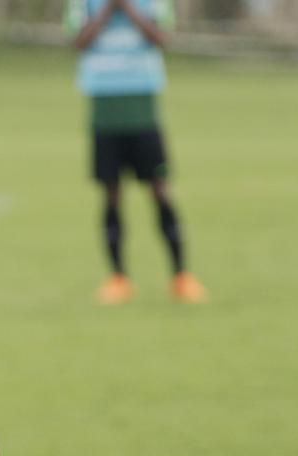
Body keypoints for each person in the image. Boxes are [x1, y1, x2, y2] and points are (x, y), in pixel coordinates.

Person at [67, 0, 207, 304]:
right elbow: (78, 42)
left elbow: (161, 38)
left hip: (142, 109)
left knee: (160, 190)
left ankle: (181, 276)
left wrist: (128, 8)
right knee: (112, 194)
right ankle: (118, 278)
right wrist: (107, 10)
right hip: (104, 110)